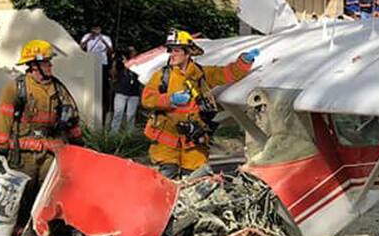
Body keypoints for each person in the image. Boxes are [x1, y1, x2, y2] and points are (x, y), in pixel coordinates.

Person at [0, 40, 83, 236]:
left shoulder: (57, 87)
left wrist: (79, 142)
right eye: (47, 63)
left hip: (49, 152)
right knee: (23, 195)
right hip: (23, 154)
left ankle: (46, 232)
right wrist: (0, 150)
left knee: (49, 193)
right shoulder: (16, 88)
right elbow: (4, 118)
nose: (50, 67)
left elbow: (72, 115)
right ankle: (17, 234)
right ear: (34, 65)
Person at [141, 31, 258, 179]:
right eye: (170, 50)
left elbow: (227, 74)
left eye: (176, 50)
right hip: (167, 140)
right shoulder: (162, 76)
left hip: (193, 141)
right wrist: (170, 99)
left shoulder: (201, 74)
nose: (172, 54)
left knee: (195, 178)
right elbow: (147, 99)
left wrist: (244, 62)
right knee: (166, 176)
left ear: (188, 52)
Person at [80, 24, 114, 117]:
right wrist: (89, 39)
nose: (96, 30)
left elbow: (111, 51)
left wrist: (103, 41)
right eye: (94, 28)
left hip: (102, 62)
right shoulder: (87, 36)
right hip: (90, 61)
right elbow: (81, 47)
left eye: (97, 29)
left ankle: (102, 105)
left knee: (102, 85)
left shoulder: (105, 38)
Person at [109, 46, 142, 133]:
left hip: (134, 92)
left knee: (131, 115)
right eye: (130, 51)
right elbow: (113, 74)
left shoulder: (139, 63)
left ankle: (129, 134)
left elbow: (140, 73)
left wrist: (128, 63)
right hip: (121, 91)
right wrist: (115, 62)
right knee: (118, 113)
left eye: (133, 51)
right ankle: (113, 134)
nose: (132, 53)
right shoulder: (120, 63)